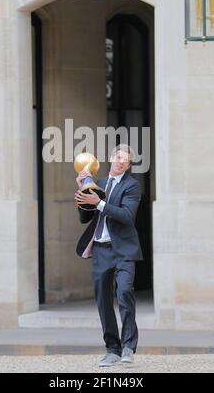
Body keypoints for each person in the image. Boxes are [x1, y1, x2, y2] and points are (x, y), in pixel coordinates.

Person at [74, 144, 143, 367]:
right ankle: (111, 349)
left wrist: (100, 203)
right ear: (111, 158)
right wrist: (84, 190)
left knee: (124, 292)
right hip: (101, 249)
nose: (121, 161)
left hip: (123, 250)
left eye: (126, 159)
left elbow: (126, 215)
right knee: (103, 300)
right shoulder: (100, 183)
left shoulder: (132, 186)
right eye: (118, 157)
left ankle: (128, 347)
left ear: (129, 164)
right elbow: (85, 219)